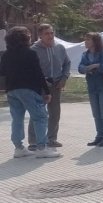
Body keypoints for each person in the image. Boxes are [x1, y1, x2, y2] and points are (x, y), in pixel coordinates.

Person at [1, 26, 60, 158]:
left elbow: (2, 73)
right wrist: (46, 91)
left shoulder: (6, 54)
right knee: (40, 117)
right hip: (29, 89)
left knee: (17, 119)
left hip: (11, 90)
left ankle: (18, 148)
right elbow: (38, 73)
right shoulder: (30, 53)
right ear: (24, 38)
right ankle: (41, 147)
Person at [28, 23, 69, 149]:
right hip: (40, 86)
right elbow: (29, 70)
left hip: (56, 85)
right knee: (38, 113)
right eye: (47, 33)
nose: (50, 36)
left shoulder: (60, 47)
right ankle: (33, 141)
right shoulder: (34, 50)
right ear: (40, 35)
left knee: (55, 113)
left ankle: (52, 139)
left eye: (52, 33)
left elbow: (67, 63)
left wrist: (64, 78)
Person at [78, 32, 103, 147]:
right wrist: (93, 66)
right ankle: (99, 135)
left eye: (88, 39)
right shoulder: (85, 54)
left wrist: (90, 68)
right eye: (85, 39)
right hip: (92, 87)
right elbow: (80, 68)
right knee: (96, 113)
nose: (86, 42)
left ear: (95, 41)